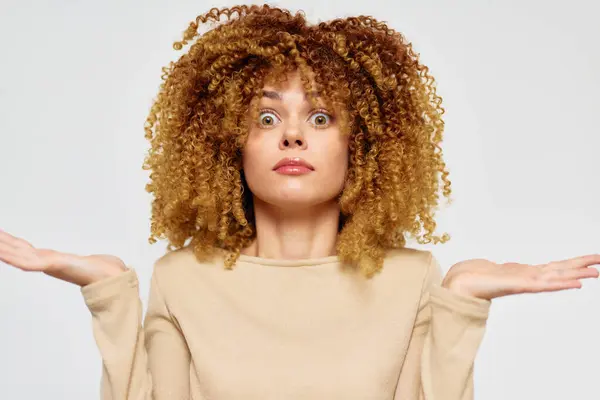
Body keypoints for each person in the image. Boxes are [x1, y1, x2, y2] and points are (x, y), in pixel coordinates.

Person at [1, 4, 598, 400]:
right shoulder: (181, 280)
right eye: (266, 116)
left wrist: (460, 301)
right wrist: (109, 295)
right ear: (228, 144)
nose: (292, 135)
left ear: (360, 144)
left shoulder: (413, 280)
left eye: (319, 116)